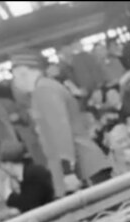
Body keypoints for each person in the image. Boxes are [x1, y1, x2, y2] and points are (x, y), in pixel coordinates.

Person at [10, 51, 114, 198]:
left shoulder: (44, 91)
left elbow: (60, 132)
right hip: (83, 167)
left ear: (24, 73)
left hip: (82, 170)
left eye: (15, 76)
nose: (15, 82)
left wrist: (67, 172)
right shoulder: (46, 88)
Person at [0, 140, 55, 213]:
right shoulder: (30, 173)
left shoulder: (33, 175)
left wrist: (9, 196)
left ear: (9, 165)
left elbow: (29, 205)